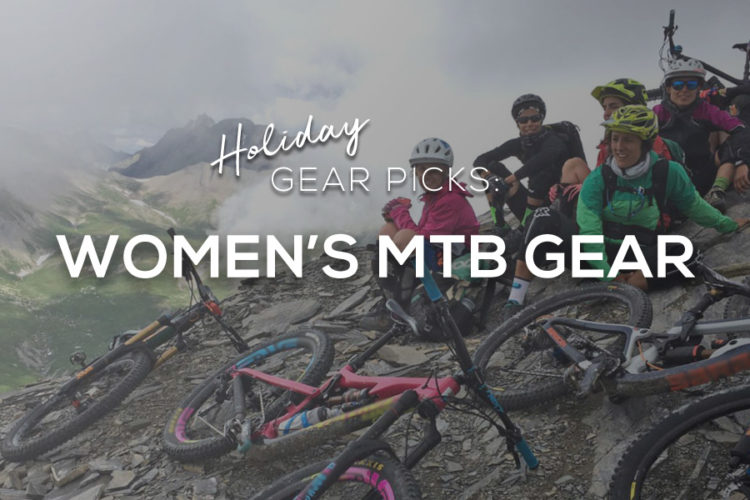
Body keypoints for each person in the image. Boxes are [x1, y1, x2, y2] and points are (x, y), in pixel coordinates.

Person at [497, 106, 747, 321]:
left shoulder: (668, 172)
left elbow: (694, 206)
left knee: (687, 253)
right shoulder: (598, 178)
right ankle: (515, 301)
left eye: (627, 140)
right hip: (595, 253)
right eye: (614, 139)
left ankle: (628, 288)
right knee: (542, 217)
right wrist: (606, 271)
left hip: (638, 252)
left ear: (645, 142)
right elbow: (590, 230)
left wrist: (727, 225)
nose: (618, 147)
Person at [360, 137, 480, 331]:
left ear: (445, 171)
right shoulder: (435, 197)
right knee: (387, 231)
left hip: (455, 259)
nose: (427, 175)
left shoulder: (451, 200)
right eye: (422, 169)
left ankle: (398, 308)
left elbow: (423, 237)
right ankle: (391, 304)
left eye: (433, 170)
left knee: (404, 237)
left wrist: (399, 212)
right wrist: (395, 216)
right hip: (439, 252)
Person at [473, 94, 589, 236]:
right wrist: (489, 177)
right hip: (533, 205)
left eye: (535, 119)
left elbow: (542, 160)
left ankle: (524, 229)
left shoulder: (554, 140)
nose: (529, 124)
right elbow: (480, 160)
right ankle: (500, 224)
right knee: (492, 168)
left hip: (560, 205)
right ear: (517, 123)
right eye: (523, 120)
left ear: (541, 119)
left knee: (540, 176)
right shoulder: (518, 144)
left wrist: (510, 179)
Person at [654, 58, 750, 212]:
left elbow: (741, 128)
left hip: (700, 175)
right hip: (667, 176)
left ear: (699, 87)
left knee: (733, 144)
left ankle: (716, 192)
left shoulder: (706, 110)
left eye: (691, 85)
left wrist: (742, 162)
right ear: (668, 88)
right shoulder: (657, 113)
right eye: (678, 85)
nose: (684, 90)